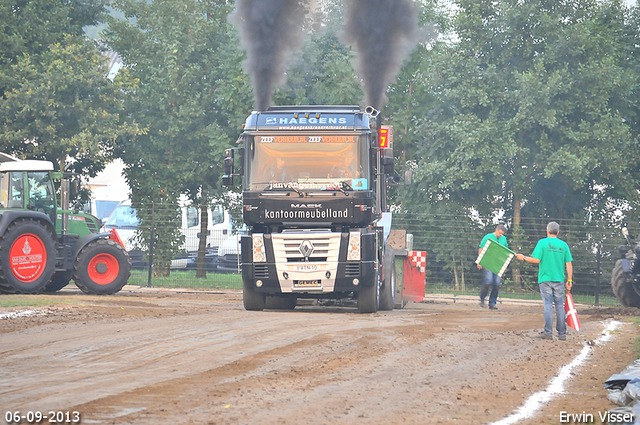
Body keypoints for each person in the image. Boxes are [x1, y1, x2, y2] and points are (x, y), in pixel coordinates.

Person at [515, 221, 573, 341]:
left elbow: (536, 260)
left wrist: (523, 258)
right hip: (559, 280)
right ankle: (562, 333)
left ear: (547, 231)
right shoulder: (564, 245)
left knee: (548, 305)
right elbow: (568, 264)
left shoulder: (542, 243)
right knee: (559, 306)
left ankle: (548, 333)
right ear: (558, 232)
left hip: (545, 279)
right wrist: (569, 280)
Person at [477, 224, 508, 309]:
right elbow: (481, 248)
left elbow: (505, 252)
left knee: (497, 283)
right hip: (488, 263)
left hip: (498, 264)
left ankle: (492, 303)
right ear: (496, 230)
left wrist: (505, 264)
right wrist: (480, 261)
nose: (500, 235)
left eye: (502, 234)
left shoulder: (504, 239)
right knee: (488, 281)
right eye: (500, 233)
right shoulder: (488, 237)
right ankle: (482, 299)